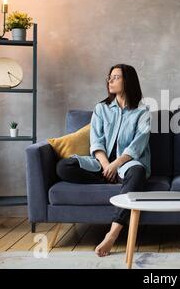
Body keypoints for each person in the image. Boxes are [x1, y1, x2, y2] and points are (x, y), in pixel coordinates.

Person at [55, 64, 151, 257]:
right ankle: (112, 179)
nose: (110, 80)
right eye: (109, 77)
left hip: (128, 163)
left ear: (128, 81)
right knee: (64, 166)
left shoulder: (142, 112)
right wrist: (107, 166)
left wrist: (116, 165)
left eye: (115, 77)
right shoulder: (101, 108)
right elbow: (96, 141)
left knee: (138, 173)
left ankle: (112, 234)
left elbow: (137, 145)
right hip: (102, 163)